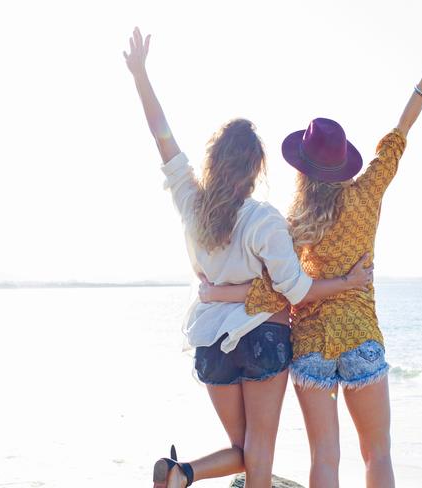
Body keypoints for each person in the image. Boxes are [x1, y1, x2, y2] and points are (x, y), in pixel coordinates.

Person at [201, 21, 422, 488]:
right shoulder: (368, 194)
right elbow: (401, 130)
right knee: (377, 454)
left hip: (311, 342)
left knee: (325, 457)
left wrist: (218, 291)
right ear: (344, 163)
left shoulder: (291, 224)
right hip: (361, 334)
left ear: (303, 168)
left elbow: (275, 289)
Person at [123, 27, 373, 488]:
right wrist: (347, 283)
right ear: (256, 168)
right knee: (258, 452)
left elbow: (166, 144)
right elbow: (297, 290)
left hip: (209, 341)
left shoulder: (191, 204)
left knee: (243, 451)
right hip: (264, 339)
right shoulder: (264, 220)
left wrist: (140, 76)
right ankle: (184, 474)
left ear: (214, 161)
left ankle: (182, 474)